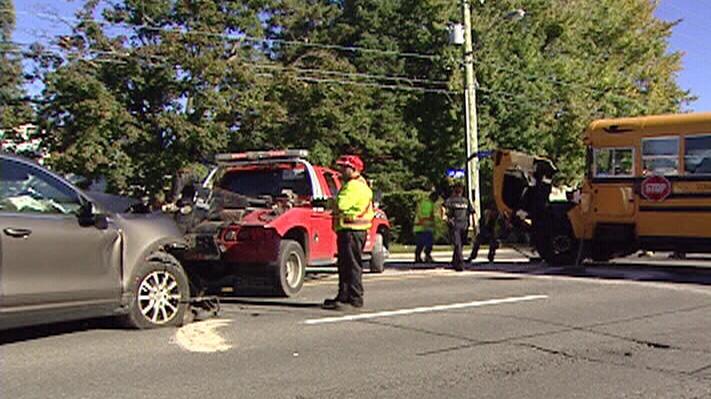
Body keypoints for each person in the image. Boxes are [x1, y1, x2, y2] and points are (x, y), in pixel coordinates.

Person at [323, 154, 374, 310]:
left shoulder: (354, 186)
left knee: (352, 265)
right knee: (345, 265)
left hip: (353, 230)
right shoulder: (358, 184)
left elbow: (342, 204)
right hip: (349, 230)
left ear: (354, 169)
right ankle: (343, 296)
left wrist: (329, 202)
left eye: (344, 167)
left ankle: (355, 299)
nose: (341, 170)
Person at [442, 183, 475, 271]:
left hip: (464, 225)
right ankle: (460, 263)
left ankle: (454, 260)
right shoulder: (452, 200)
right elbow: (443, 206)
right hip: (455, 224)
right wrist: (444, 216)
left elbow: (472, 212)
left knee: (460, 244)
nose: (459, 190)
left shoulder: (465, 200)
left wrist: (474, 226)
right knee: (457, 244)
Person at [414, 191, 438, 264]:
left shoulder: (424, 202)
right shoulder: (429, 204)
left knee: (421, 243)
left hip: (420, 227)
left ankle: (418, 257)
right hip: (424, 227)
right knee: (428, 243)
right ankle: (426, 256)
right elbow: (426, 216)